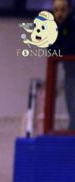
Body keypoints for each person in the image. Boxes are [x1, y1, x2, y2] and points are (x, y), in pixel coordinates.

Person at [52, 0, 75, 130]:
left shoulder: (72, 27)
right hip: (69, 73)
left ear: (70, 10)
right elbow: (51, 49)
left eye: (63, 10)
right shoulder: (54, 28)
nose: (59, 14)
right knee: (70, 105)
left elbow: (68, 48)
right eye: (56, 10)